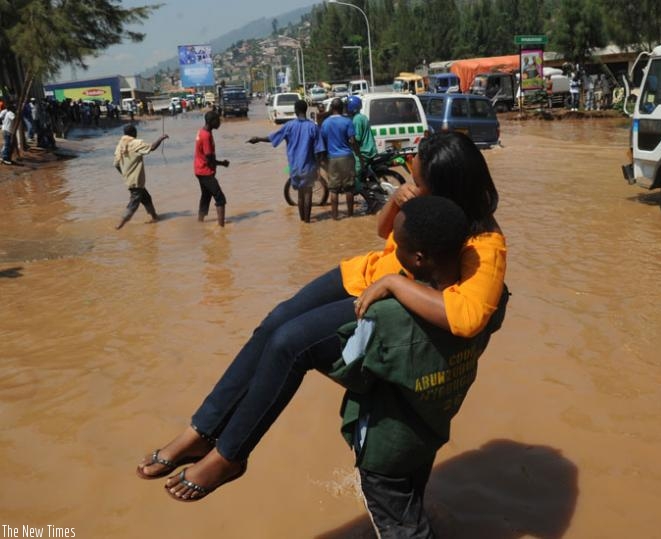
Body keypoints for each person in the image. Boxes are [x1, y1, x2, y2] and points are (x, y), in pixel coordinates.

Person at [138, 132, 506, 503]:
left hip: (380, 298)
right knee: (273, 323)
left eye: (419, 181)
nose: (412, 183)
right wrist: (396, 201)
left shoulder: (484, 242)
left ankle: (229, 455)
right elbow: (384, 233)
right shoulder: (421, 203)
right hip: (362, 274)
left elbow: (469, 316)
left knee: (289, 343)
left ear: (446, 191)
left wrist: (394, 284)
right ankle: (201, 430)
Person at [328, 195, 507, 537]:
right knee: (411, 504)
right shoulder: (484, 305)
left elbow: (350, 364)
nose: (392, 252)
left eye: (399, 246)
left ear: (418, 258)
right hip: (430, 431)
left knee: (399, 527)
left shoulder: (385, 315)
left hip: (385, 449)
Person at [247, 99, 325, 223]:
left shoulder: (289, 126)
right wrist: (318, 167)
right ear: (305, 110)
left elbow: (273, 137)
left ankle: (302, 222)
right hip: (309, 167)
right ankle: (307, 223)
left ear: (296, 110)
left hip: (294, 167)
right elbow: (320, 150)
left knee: (300, 195)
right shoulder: (313, 127)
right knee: (308, 194)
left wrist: (258, 139)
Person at [113, 124, 168, 230]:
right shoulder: (135, 143)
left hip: (130, 180)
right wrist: (161, 138)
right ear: (134, 133)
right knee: (134, 203)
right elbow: (151, 147)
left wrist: (125, 174)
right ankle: (120, 223)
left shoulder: (120, 145)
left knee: (147, 198)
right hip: (136, 181)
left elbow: (115, 164)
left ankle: (155, 217)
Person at [320, 97, 359, 219]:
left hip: (332, 159)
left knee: (333, 190)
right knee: (349, 189)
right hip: (347, 157)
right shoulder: (347, 122)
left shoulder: (325, 123)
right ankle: (350, 215)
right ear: (342, 108)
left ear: (331, 108)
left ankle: (335, 217)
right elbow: (352, 141)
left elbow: (323, 142)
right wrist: (358, 154)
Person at [194, 110, 230, 227]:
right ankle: (221, 228)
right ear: (212, 121)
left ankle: (200, 223)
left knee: (206, 196)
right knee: (220, 198)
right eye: (218, 120)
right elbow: (209, 157)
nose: (220, 122)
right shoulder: (206, 135)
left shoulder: (202, 131)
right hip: (205, 172)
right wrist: (222, 163)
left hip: (199, 170)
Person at [347, 95, 377, 185]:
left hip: (364, 152)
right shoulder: (362, 117)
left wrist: (347, 141)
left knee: (353, 176)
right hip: (369, 149)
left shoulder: (357, 119)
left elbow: (357, 138)